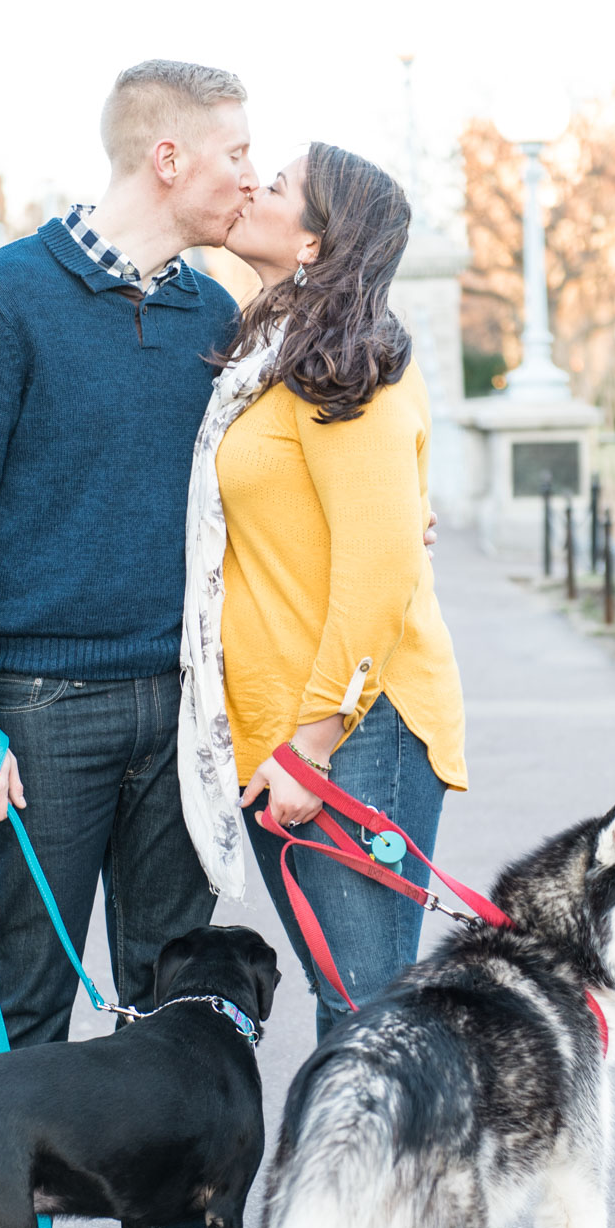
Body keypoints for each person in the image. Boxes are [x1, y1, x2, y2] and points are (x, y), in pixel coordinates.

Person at [0, 59, 267, 1228]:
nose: (248, 169)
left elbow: (262, 482)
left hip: (176, 709)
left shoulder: (208, 316)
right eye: (233, 148)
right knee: (23, 1015)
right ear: (164, 155)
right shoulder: (4, 299)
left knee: (177, 1005)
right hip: (34, 714)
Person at [179, 142, 467, 1045]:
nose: (253, 186)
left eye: (277, 186)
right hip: (283, 729)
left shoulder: (351, 367)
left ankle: (396, 1189)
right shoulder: (267, 356)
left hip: (354, 729)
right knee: (351, 997)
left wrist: (311, 744)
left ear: (314, 241)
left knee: (366, 1006)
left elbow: (380, 570)